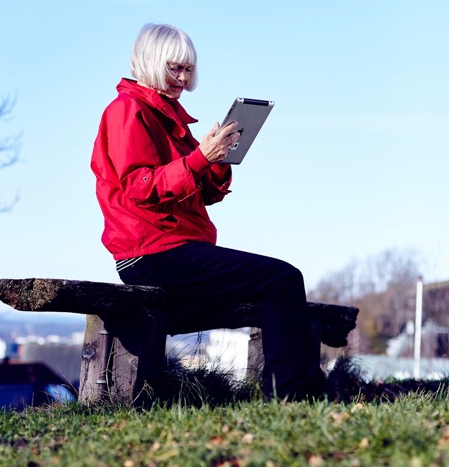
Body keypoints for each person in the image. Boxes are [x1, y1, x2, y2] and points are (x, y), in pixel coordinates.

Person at [90, 23, 325, 400]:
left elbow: (204, 194)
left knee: (278, 282)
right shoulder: (127, 111)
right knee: (281, 280)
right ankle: (292, 396)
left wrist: (219, 158)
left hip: (176, 247)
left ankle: (300, 390)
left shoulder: (168, 116)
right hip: (150, 253)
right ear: (149, 62)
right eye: (174, 68)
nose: (183, 78)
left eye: (188, 69)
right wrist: (200, 157)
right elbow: (140, 188)